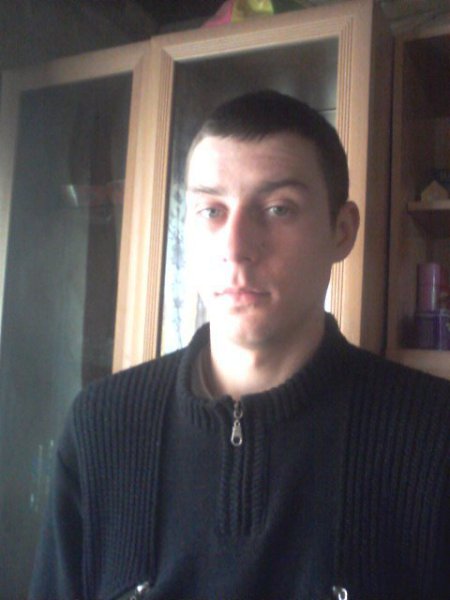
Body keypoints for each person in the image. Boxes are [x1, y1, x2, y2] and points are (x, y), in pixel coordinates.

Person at [29, 91, 449, 600]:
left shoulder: (432, 436)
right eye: (211, 210)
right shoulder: (100, 426)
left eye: (278, 208)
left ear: (341, 231)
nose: (235, 247)